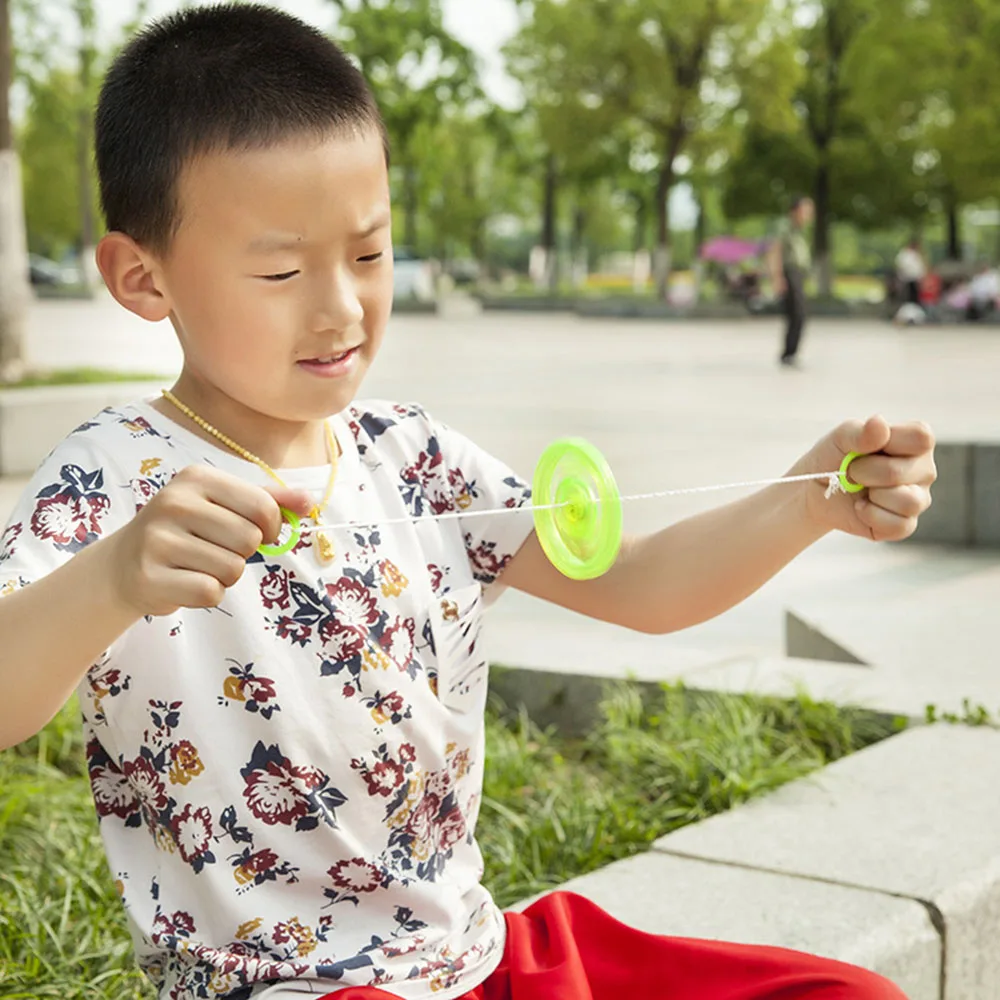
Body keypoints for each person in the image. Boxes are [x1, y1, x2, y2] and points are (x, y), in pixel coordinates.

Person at [0, 6, 935, 1000]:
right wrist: (111, 575)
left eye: (368, 253)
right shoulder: (117, 477)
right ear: (143, 278)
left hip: (482, 960)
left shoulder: (416, 456)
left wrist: (810, 501)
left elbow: (640, 584)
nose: (343, 307)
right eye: (281, 270)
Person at [769, 196, 814, 367]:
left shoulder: (799, 231)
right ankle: (789, 353)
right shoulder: (785, 228)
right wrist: (777, 278)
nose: (809, 215)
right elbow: (775, 252)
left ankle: (791, 353)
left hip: (797, 274)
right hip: (789, 273)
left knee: (797, 315)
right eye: (806, 210)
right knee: (797, 314)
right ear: (794, 211)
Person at [894, 238, 926, 307]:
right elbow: (903, 266)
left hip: (915, 279)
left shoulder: (916, 255)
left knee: (915, 295)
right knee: (908, 295)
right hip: (907, 279)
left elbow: (920, 267)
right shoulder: (904, 255)